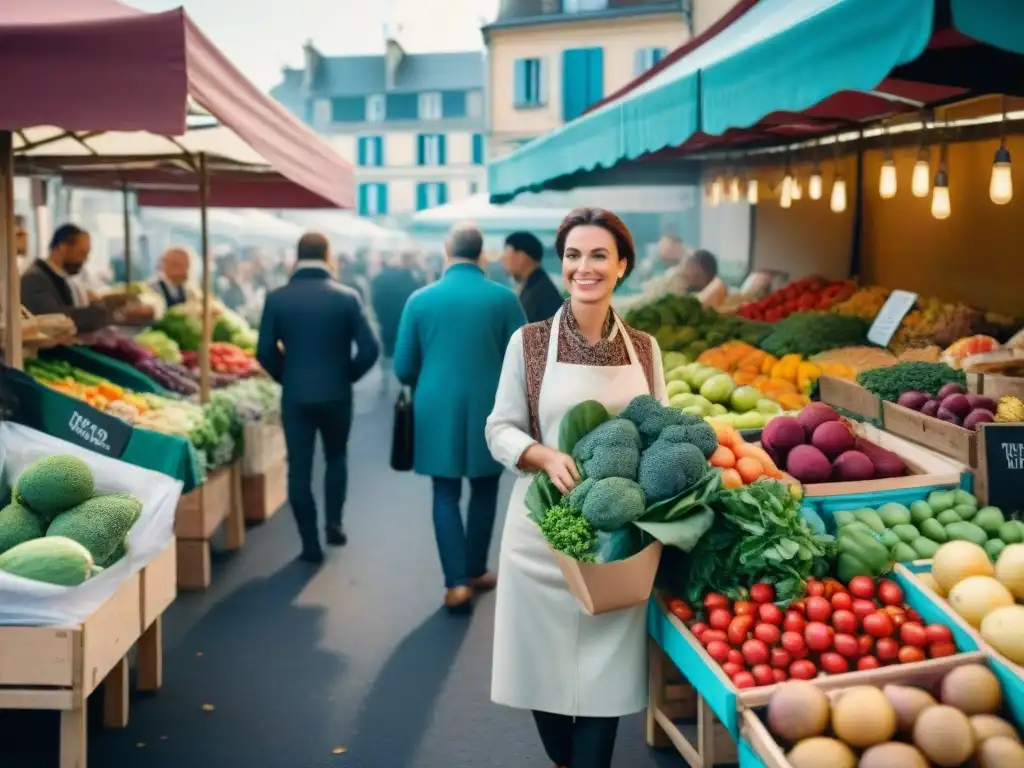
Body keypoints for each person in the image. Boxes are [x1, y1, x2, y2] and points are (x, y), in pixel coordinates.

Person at [485, 207, 667, 768]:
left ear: (622, 267)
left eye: (597, 256)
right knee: (540, 670)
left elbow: (659, 428)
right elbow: (499, 429)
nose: (582, 267)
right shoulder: (530, 342)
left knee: (606, 675)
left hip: (617, 537)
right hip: (541, 532)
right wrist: (539, 453)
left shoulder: (645, 348)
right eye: (572, 255)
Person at [393, 223, 526, 613]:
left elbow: (403, 367)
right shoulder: (503, 299)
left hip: (434, 406)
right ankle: (475, 569)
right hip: (493, 406)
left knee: (445, 493)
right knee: (485, 489)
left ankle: (456, 585)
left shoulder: (419, 300)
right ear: (482, 255)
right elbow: (522, 362)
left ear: (446, 253)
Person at [256, 233, 380, 564]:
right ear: (328, 255)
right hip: (337, 393)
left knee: (299, 468)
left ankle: (309, 543)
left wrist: (288, 376)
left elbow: (264, 351)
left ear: (297, 257)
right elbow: (370, 349)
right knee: (336, 457)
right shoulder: (347, 297)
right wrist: (347, 375)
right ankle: (334, 523)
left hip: (295, 395)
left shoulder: (277, 298)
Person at [21, 224, 118, 333]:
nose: (85, 259)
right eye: (81, 253)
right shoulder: (34, 280)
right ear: (62, 248)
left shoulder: (60, 278)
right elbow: (58, 320)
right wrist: (101, 311)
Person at [371, 251, 424, 396]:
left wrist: (379, 316)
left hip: (386, 320)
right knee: (407, 348)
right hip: (404, 318)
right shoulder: (410, 277)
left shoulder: (379, 278)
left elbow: (374, 301)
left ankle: (385, 381)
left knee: (387, 351)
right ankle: (403, 383)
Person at [502, 231, 562, 324]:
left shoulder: (542, 292)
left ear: (522, 257)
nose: (503, 259)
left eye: (507, 253)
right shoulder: (535, 285)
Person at [146, 246, 199, 313]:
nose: (186, 271)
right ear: (167, 265)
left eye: (188, 266)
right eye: (180, 265)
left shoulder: (187, 289)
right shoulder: (151, 288)